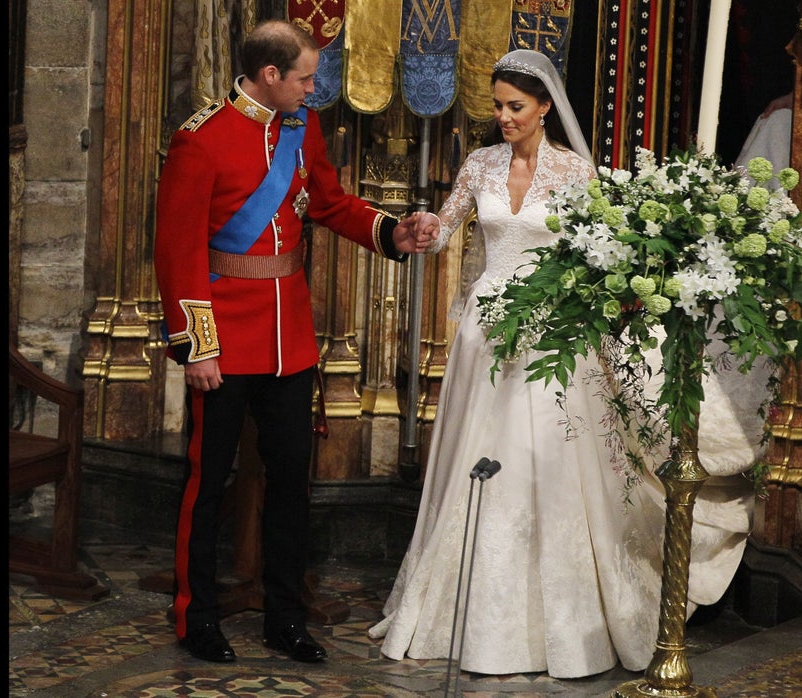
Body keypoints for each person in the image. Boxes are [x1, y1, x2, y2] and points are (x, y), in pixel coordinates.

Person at [368, 49, 770, 678]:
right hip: (486, 335)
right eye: (498, 105)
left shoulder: (574, 172)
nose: (503, 116)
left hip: (554, 337)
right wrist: (419, 226)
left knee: (545, 462)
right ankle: (458, 610)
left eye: (515, 106)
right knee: (481, 458)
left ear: (545, 107)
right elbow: (444, 231)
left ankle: (558, 619)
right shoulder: (479, 165)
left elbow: (599, 255)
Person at [154, 19, 435, 665]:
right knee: (208, 483)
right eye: (306, 77)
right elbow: (178, 253)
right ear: (270, 74)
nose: (315, 88)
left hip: (289, 339)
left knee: (290, 486)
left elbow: (331, 203)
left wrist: (393, 233)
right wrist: (199, 349)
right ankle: (195, 617)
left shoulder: (301, 130)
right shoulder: (200, 140)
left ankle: (286, 617)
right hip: (223, 339)